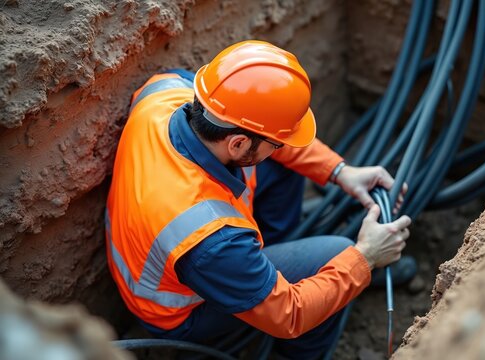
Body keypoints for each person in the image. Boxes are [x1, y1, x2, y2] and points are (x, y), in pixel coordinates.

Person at [105, 40, 413, 359]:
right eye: (276, 143)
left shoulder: (169, 92)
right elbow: (291, 314)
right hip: (182, 312)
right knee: (338, 254)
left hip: (181, 252)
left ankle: (266, 269)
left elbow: (263, 130)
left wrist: (339, 170)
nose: (281, 146)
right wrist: (366, 257)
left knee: (279, 167)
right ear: (237, 145)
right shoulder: (211, 239)